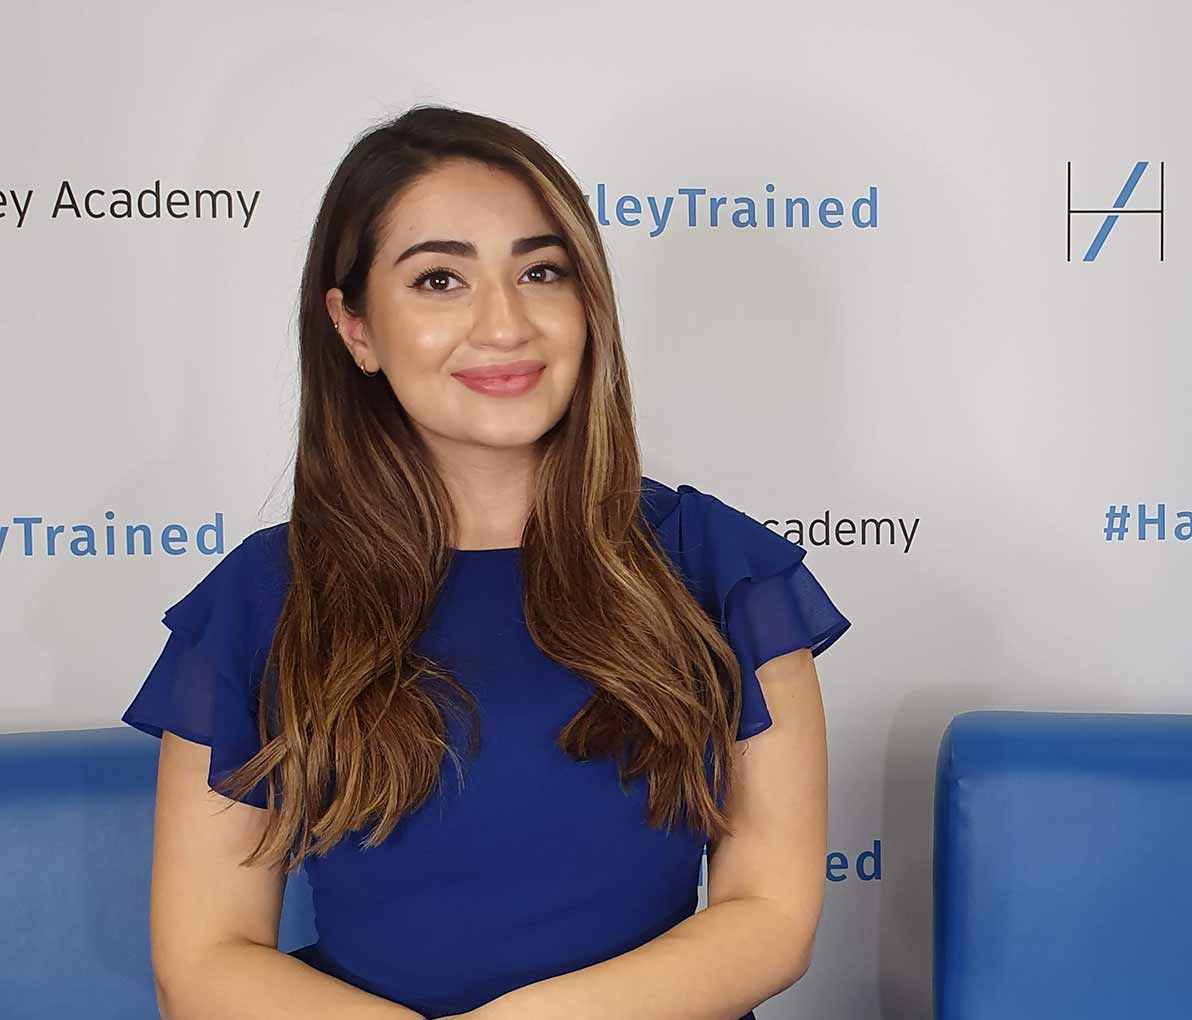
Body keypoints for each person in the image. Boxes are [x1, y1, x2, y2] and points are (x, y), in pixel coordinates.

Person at [120, 104, 851, 1020]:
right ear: (355, 329)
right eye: (438, 280)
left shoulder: (721, 567)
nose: (504, 325)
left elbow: (770, 914)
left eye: (540, 271)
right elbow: (205, 960)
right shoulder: (261, 599)